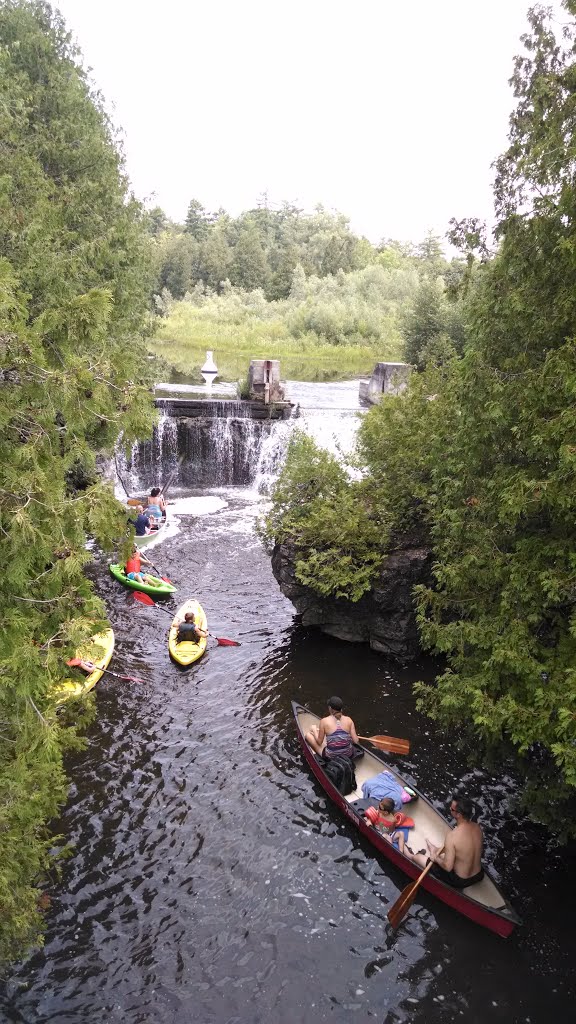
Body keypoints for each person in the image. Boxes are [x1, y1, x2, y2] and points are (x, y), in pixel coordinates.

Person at [407, 794, 485, 889]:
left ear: (459, 815)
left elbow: (448, 867)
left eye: (452, 809)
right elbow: (463, 849)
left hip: (460, 881)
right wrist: (438, 850)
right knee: (452, 850)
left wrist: (435, 857)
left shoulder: (452, 836)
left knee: (418, 858)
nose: (449, 809)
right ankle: (434, 849)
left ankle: (410, 855)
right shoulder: (477, 827)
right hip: (478, 875)